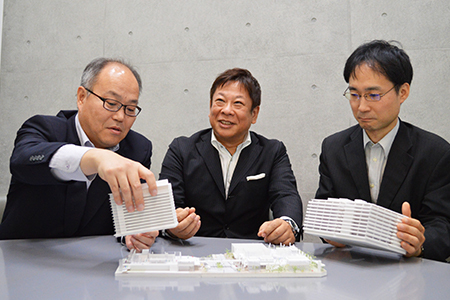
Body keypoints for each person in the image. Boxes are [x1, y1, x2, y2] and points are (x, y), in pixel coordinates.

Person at [0, 58, 159, 251]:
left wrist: (137, 233)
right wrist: (94, 157)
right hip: (23, 260)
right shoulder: (44, 128)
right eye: (111, 103)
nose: (120, 117)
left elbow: (131, 219)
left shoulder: (138, 149)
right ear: (82, 97)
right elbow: (22, 161)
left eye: (130, 109)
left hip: (94, 267)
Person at [315, 40, 450, 262]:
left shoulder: (435, 153)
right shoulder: (333, 148)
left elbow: (443, 224)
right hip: (350, 272)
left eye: (373, 95)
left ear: (403, 92)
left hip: (410, 275)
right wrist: (331, 233)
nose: (362, 107)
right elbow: (325, 210)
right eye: (354, 94)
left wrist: (420, 243)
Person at [159, 68, 303, 245]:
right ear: (210, 106)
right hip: (193, 251)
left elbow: (286, 195)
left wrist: (287, 225)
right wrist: (173, 226)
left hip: (251, 255)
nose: (226, 110)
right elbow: (168, 207)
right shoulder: (182, 149)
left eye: (238, 104)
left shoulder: (272, 151)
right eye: (220, 101)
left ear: (254, 114)